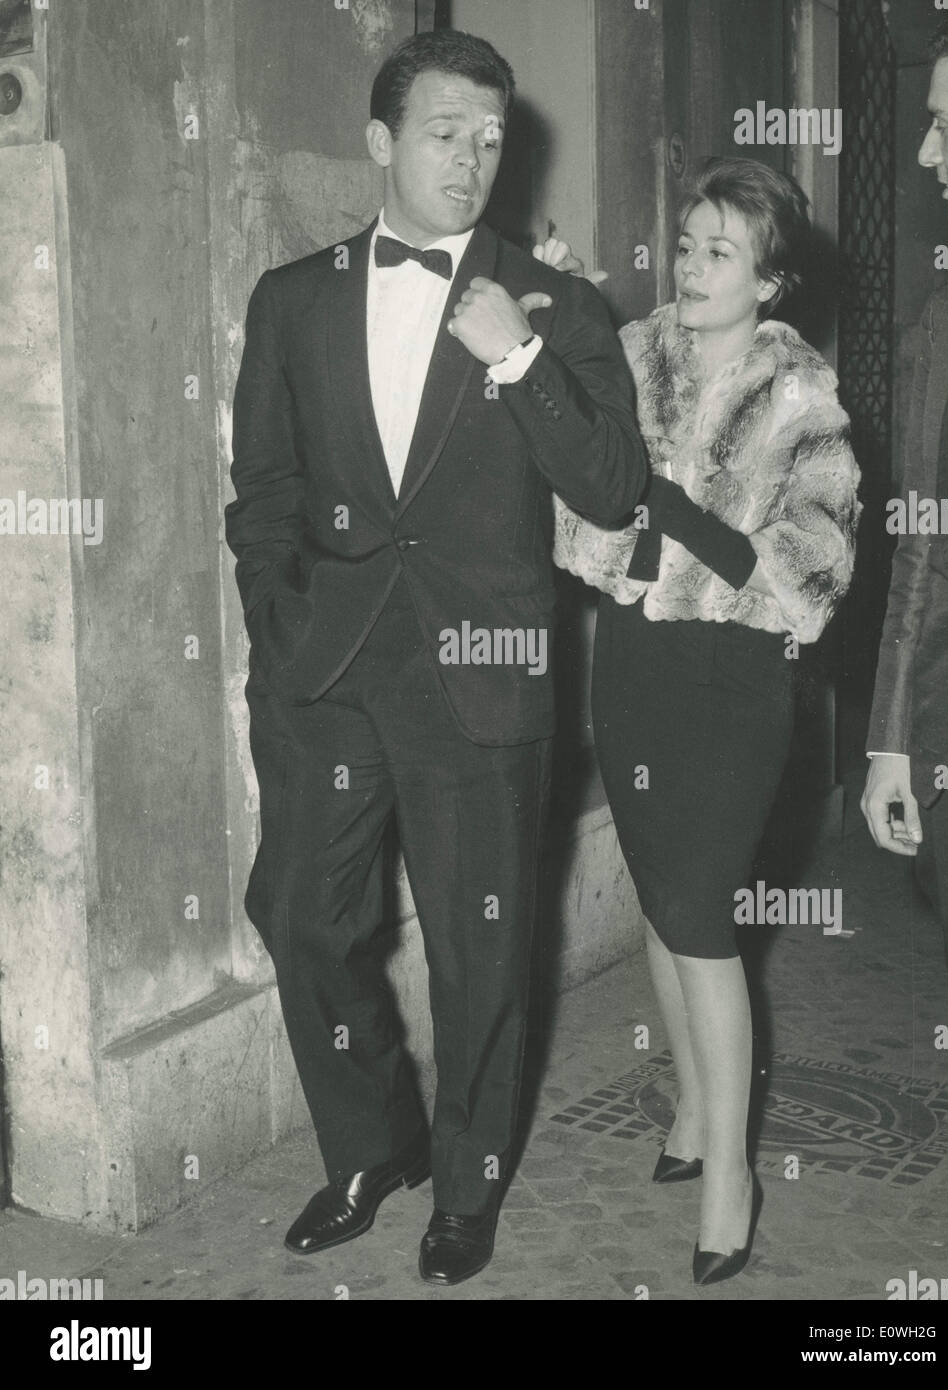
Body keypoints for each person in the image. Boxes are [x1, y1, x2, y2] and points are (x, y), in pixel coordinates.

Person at [223, 29, 646, 1288]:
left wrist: (514, 356)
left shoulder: (554, 305)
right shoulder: (291, 299)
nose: (471, 158)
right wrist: (279, 622)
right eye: (443, 132)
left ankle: (464, 1185)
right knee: (301, 914)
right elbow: (263, 494)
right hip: (328, 669)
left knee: (481, 947)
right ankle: (371, 1144)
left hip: (485, 669)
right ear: (378, 143)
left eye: (490, 136)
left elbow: (615, 485)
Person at [547, 157, 860, 1283]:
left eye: (718, 250)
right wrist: (631, 534)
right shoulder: (627, 357)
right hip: (634, 665)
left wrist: (669, 516)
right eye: (684, 242)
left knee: (697, 912)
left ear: (768, 280)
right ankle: (687, 1112)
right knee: (655, 891)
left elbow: (809, 574)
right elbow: (579, 512)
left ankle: (730, 1173)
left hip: (735, 684)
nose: (688, 265)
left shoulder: (801, 395)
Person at [862, 4, 948, 1091]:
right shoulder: (947, 316)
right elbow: (922, 544)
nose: (920, 153)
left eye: (941, 124)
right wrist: (892, 739)